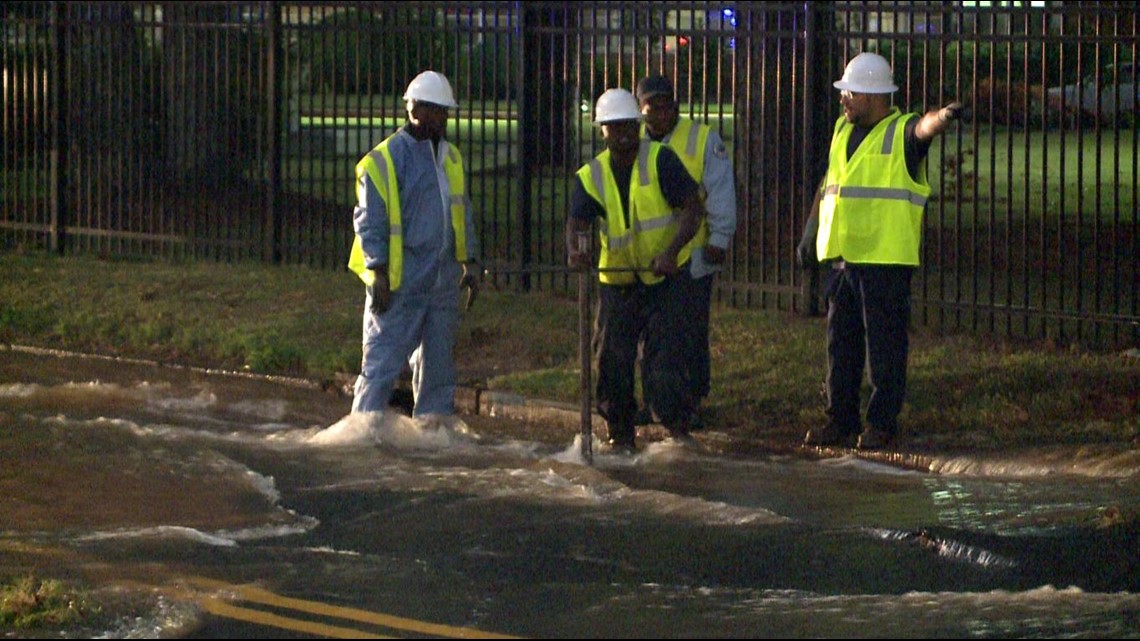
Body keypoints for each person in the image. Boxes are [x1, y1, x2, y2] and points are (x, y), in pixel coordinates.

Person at [797, 52, 962, 450]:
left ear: (872, 95)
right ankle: (840, 421)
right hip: (843, 259)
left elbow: (923, 129)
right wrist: (810, 231)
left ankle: (881, 424)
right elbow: (829, 183)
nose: (843, 99)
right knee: (841, 347)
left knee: (884, 351)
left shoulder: (900, 132)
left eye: (849, 93)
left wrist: (942, 118)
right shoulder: (842, 129)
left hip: (885, 261)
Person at [565, 87, 707, 452]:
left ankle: (676, 431)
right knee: (612, 361)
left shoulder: (661, 160)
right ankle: (620, 435)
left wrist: (671, 252)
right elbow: (578, 221)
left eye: (628, 125)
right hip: (617, 280)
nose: (623, 133)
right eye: (614, 127)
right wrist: (577, 251)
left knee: (665, 362)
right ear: (602, 131)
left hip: (665, 278)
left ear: (638, 125)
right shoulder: (591, 175)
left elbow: (692, 209)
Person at [347, 70, 481, 418]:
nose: (443, 119)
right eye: (437, 111)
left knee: (438, 369)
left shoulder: (449, 157)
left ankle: (432, 433)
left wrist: (470, 261)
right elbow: (370, 221)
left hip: (441, 280)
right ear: (415, 110)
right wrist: (378, 271)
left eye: (445, 111)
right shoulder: (384, 160)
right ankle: (362, 430)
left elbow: (461, 211)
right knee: (381, 364)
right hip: (400, 281)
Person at [635, 74, 737, 431]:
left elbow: (720, 190)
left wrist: (719, 238)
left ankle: (690, 401)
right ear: (641, 110)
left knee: (688, 332)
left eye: (667, 106)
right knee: (652, 334)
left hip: (693, 257)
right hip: (649, 258)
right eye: (652, 107)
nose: (661, 114)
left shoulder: (700, 138)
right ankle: (656, 402)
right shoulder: (633, 142)